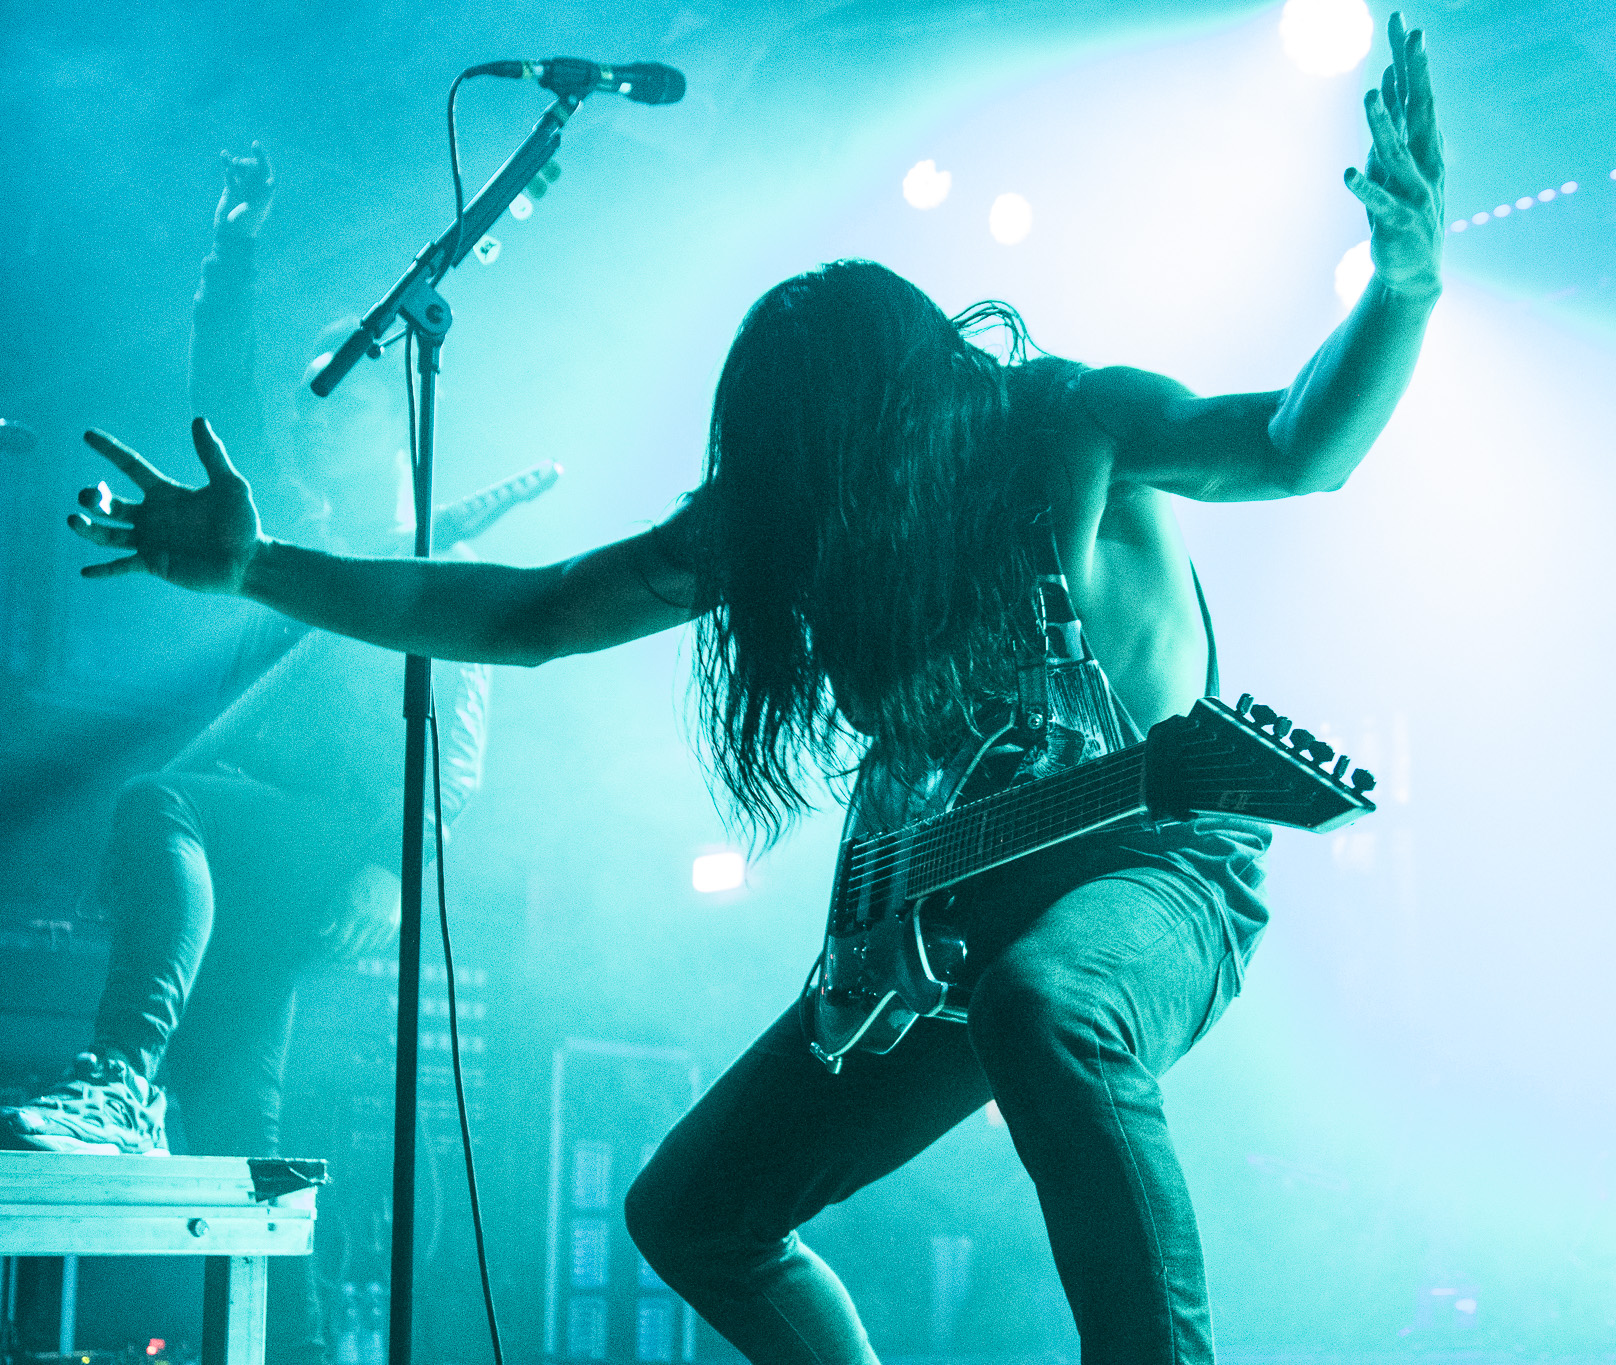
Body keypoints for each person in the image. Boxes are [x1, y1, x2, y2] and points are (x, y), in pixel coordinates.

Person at [56, 16, 1443, 1363]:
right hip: (950, 905)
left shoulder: (1069, 427)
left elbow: (1294, 445)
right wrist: (259, 570)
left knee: (1046, 1007)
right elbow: (529, 613)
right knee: (694, 1214)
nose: (830, 541)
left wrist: (1401, 285)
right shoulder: (786, 512)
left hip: (1156, 861)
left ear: (918, 426)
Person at [6, 144, 507, 1365]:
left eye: (343, 396)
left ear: (402, 418)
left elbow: (457, 752)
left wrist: (394, 872)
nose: (314, 418)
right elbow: (222, 410)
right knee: (239, 1138)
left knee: (160, 800)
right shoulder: (292, 541)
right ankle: (290, 1348)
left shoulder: (430, 560)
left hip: (321, 844)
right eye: (312, 398)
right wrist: (229, 252)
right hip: (255, 862)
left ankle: (119, 1079)